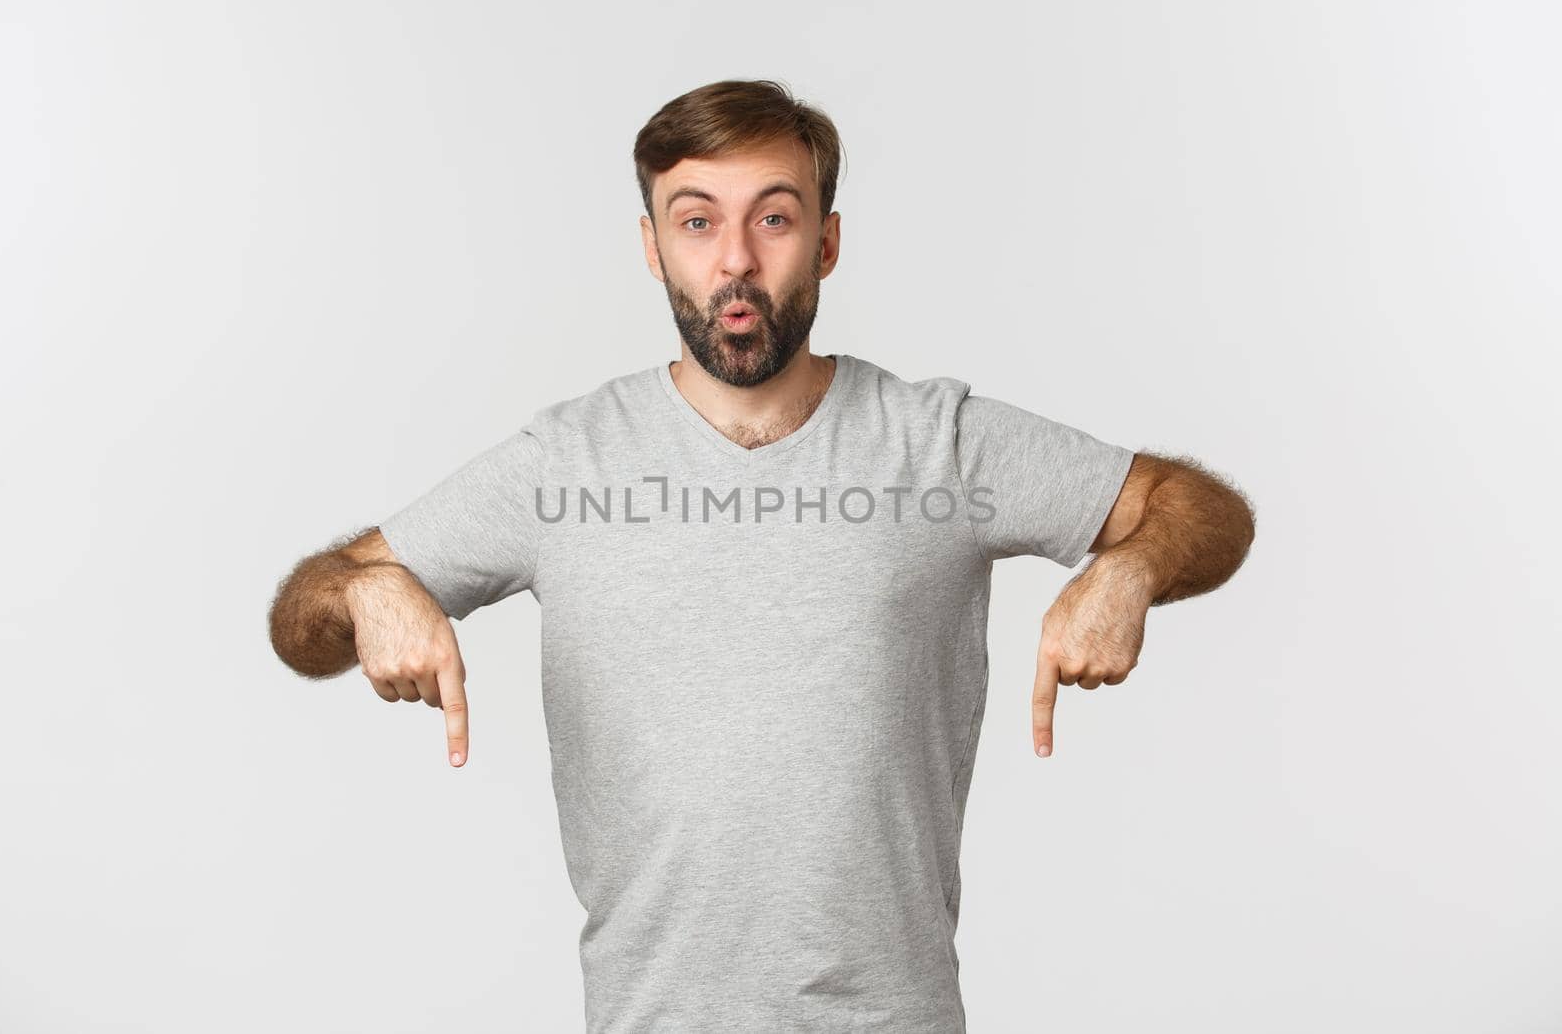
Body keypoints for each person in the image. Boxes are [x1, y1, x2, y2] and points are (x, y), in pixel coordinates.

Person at [268, 78, 1256, 1032]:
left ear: (825, 242)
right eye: (696, 221)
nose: (735, 258)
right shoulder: (560, 464)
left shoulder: (941, 443)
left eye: (773, 218)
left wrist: (1124, 567)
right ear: (652, 248)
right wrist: (368, 588)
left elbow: (1199, 509)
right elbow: (305, 618)